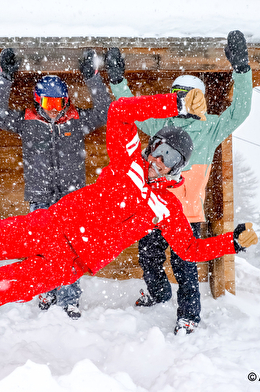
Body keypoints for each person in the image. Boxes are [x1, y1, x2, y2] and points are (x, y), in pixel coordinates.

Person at [0, 90, 257, 326]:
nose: (161, 160)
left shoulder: (166, 207)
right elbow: (120, 111)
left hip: (66, 264)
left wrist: (232, 244)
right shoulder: (128, 161)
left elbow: (188, 249)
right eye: (160, 150)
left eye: (171, 159)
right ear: (152, 146)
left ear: (177, 167)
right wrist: (174, 102)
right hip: (48, 226)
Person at [104, 30, 252, 334]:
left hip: (187, 216)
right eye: (179, 94)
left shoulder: (211, 127)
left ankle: (188, 316)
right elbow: (130, 108)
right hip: (155, 210)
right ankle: (157, 294)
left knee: (186, 270)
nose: (184, 100)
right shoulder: (162, 123)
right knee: (150, 259)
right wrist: (117, 79)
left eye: (188, 94)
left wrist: (241, 69)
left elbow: (241, 110)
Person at [0, 48, 111, 319]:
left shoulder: (77, 120)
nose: (53, 111)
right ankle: (45, 291)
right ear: (37, 101)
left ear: (65, 101)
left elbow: (104, 111)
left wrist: (92, 77)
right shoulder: (27, 122)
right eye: (47, 104)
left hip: (70, 196)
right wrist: (5, 78)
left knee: (69, 247)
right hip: (40, 195)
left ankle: (70, 298)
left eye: (58, 104)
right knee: (41, 249)